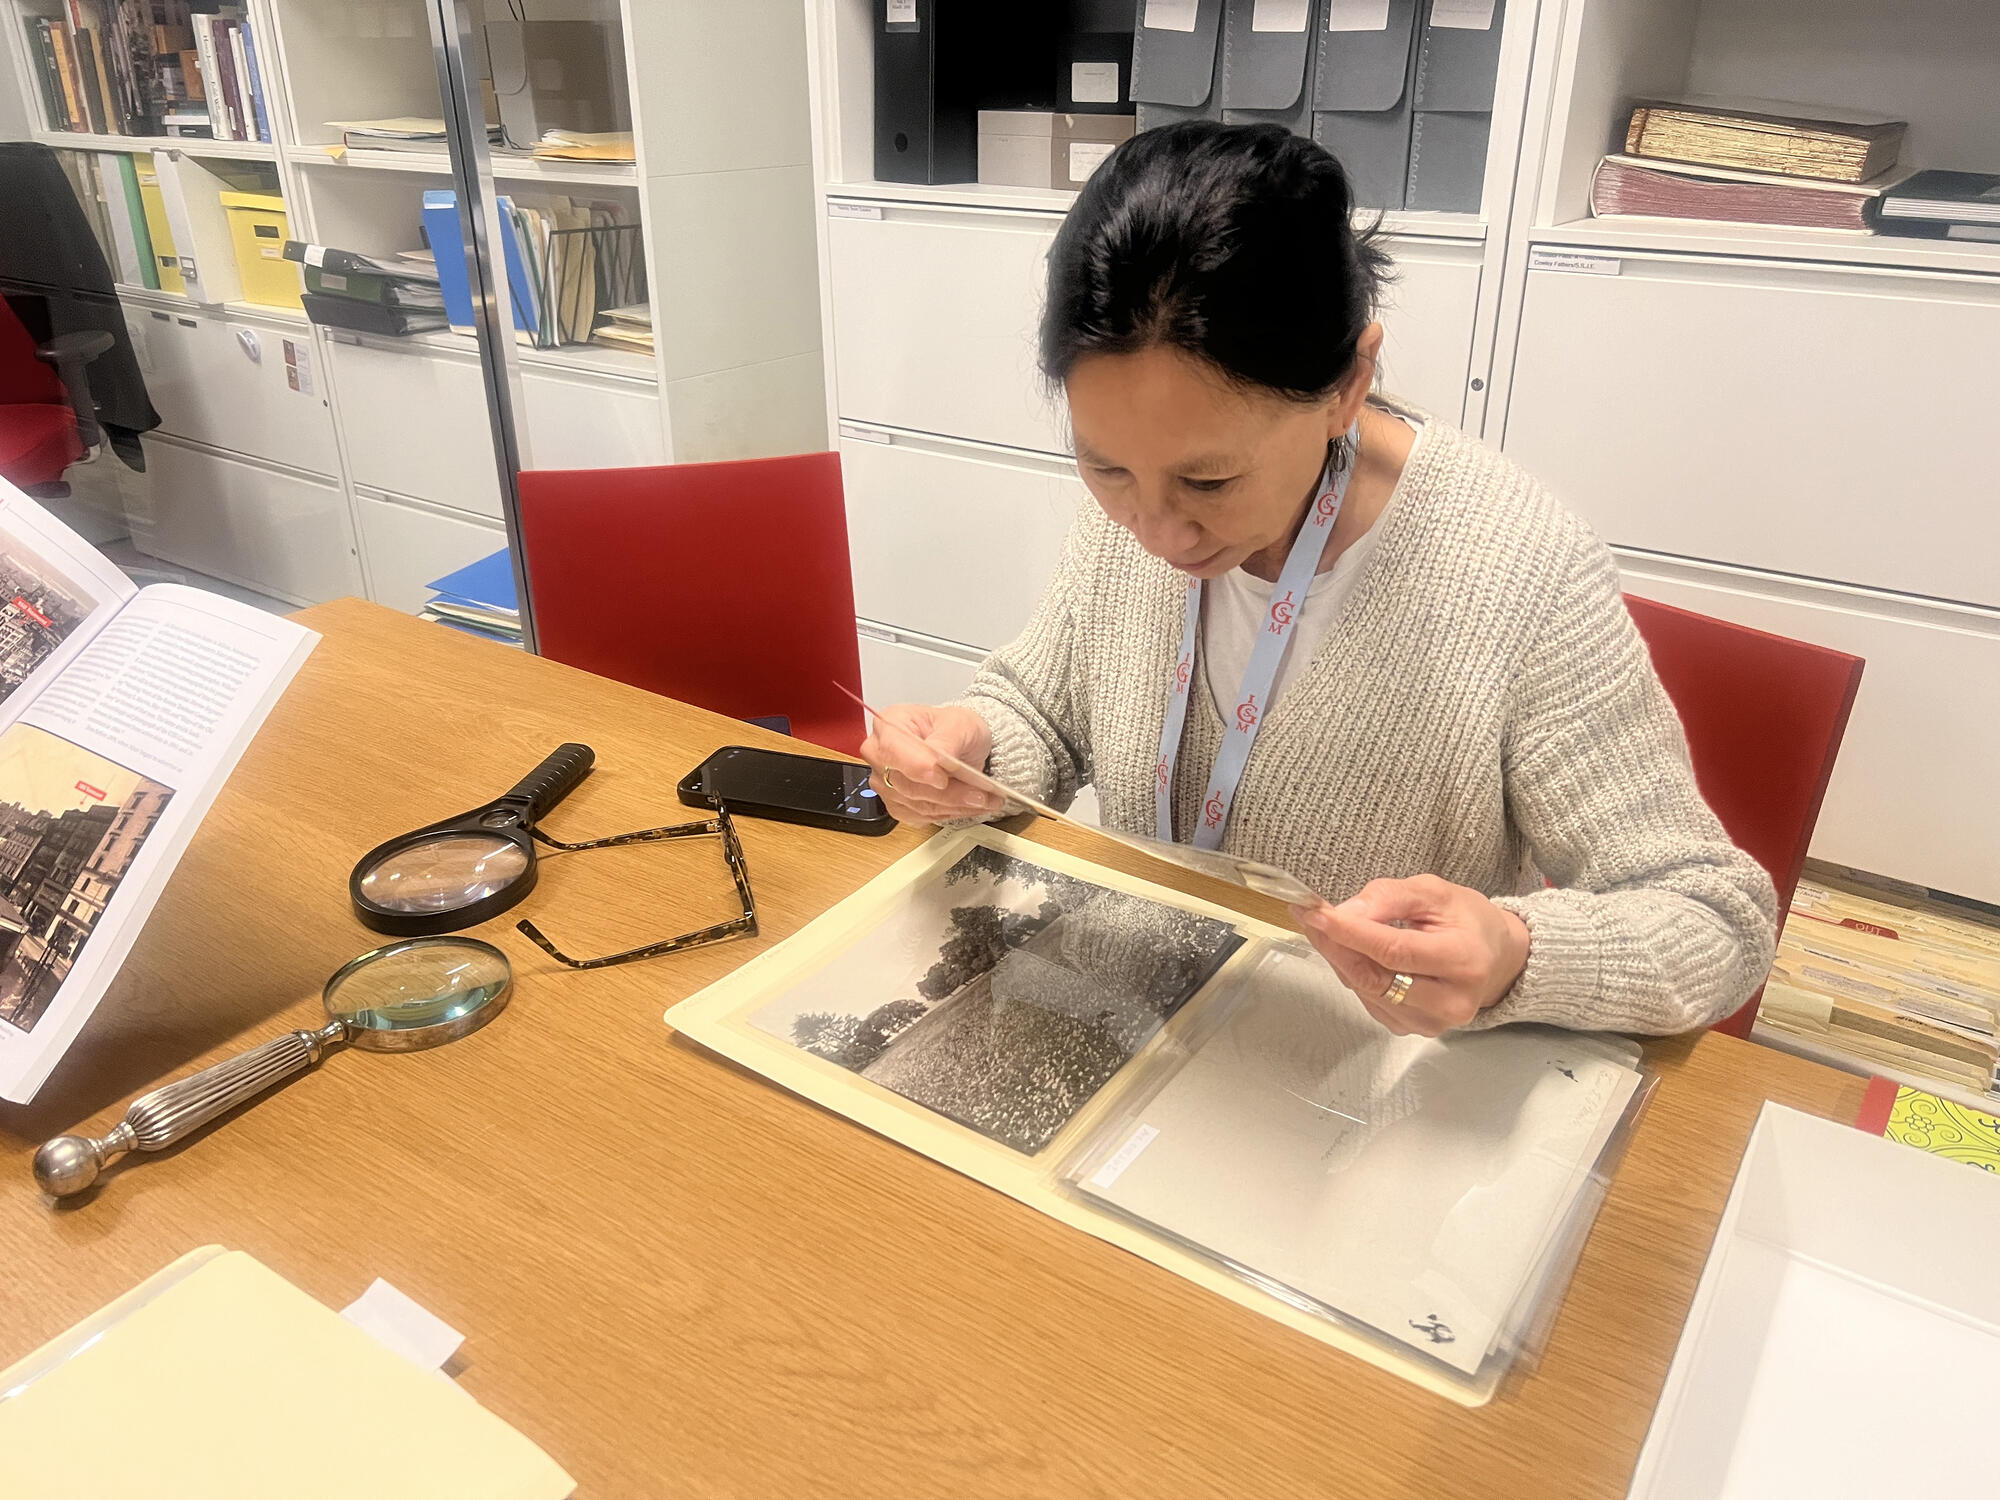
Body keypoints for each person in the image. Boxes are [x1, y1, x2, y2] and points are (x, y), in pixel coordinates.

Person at [860, 121, 1775, 1040]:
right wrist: (974, 746)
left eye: (1209, 482)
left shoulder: (1518, 569)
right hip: (1137, 1038)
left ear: (1347, 384)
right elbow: (1044, 708)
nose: (1154, 530)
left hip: (1362, 1079)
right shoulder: (1148, 501)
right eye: (1104, 469)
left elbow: (1711, 915)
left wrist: (1517, 953)